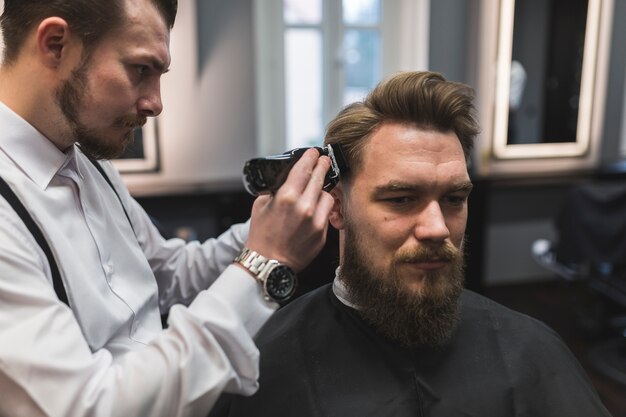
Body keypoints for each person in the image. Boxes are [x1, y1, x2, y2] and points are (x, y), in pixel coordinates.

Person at [209, 71, 612, 417]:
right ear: (336, 208)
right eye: (401, 199)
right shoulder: (264, 362)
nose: (437, 228)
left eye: (454, 199)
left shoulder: (531, 352)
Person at [0, 1, 334, 416]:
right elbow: (88, 408)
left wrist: (272, 221)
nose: (156, 104)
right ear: (55, 44)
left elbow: (168, 276)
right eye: (141, 70)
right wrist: (263, 264)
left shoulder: (88, 163)